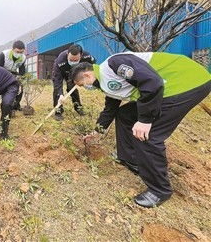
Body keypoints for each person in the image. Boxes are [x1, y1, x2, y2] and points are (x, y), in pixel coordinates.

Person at [70, 52, 211, 208]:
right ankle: (129, 158)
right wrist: (97, 131)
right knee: (124, 115)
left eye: (83, 85)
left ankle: (159, 190)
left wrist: (145, 120)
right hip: (161, 88)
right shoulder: (105, 82)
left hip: (184, 82)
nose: (86, 88)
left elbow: (153, 82)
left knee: (146, 135)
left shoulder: (114, 65)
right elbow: (110, 108)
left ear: (88, 75)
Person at [52, 44, 96, 120]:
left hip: (74, 72)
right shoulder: (60, 60)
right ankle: (58, 111)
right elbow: (57, 80)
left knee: (72, 88)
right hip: (63, 71)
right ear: (67, 54)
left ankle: (78, 108)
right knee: (57, 91)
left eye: (75, 60)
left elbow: (93, 64)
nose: (73, 61)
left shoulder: (87, 56)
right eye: (71, 59)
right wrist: (60, 94)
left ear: (81, 55)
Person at [0, 40, 26, 112]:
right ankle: (5, 106)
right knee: (6, 89)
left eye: (21, 52)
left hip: (14, 72)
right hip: (3, 72)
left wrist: (21, 79)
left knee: (19, 88)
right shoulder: (4, 54)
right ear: (13, 49)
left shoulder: (23, 57)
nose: (19, 54)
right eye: (17, 52)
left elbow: (22, 70)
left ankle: (16, 105)